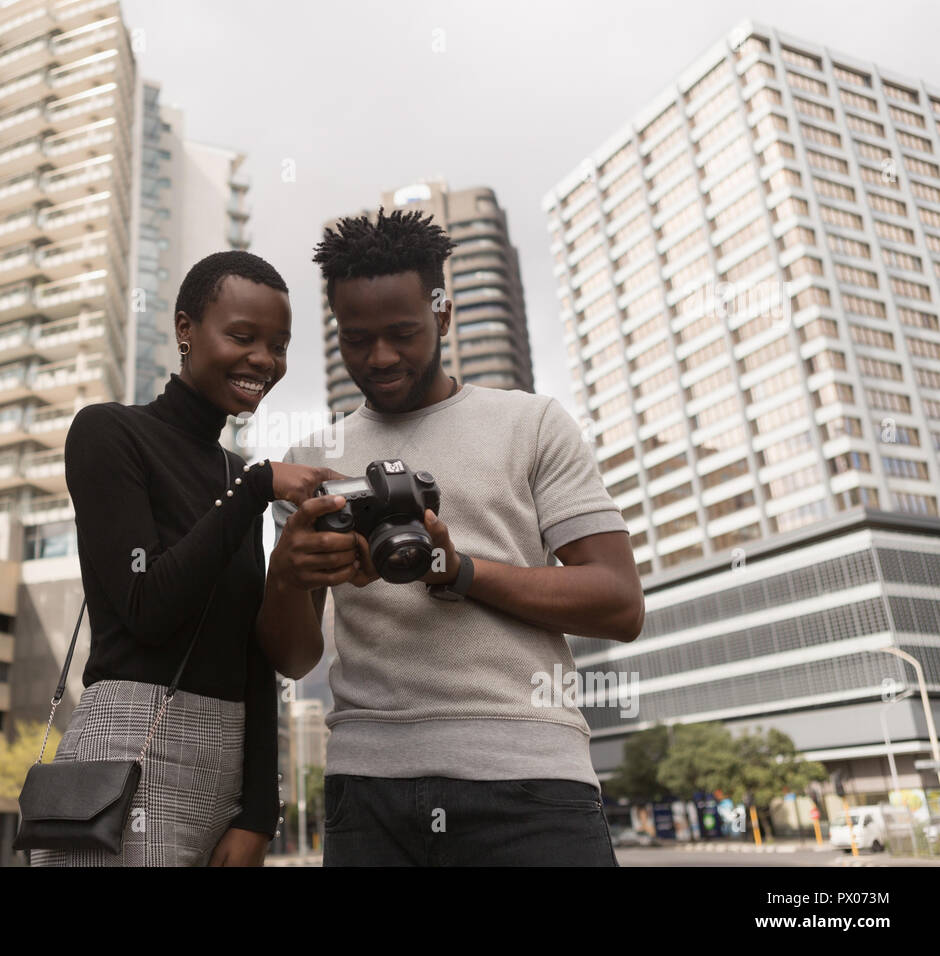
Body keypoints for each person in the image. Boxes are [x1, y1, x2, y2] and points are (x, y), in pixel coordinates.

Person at [259, 208, 645, 866]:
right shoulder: (313, 458)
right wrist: (288, 573)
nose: (379, 358)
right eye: (356, 339)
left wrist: (458, 570)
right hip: (369, 791)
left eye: (402, 333)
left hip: (531, 781)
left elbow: (619, 603)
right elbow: (293, 660)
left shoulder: (532, 424)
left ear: (442, 314)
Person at [32, 251, 337, 867]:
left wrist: (259, 812)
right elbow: (147, 606)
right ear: (184, 329)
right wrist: (254, 490)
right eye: (242, 336)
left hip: (223, 766)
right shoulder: (108, 433)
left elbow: (257, 656)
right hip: (124, 748)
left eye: (278, 345)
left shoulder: (236, 475)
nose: (264, 360)